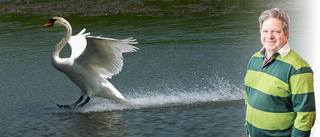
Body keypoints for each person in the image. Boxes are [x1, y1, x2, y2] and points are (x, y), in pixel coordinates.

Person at [244, 8, 316, 137]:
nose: (269, 36)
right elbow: (248, 98)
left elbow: (305, 115)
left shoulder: (298, 68)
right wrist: (248, 130)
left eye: (276, 31)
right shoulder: (254, 59)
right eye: (265, 31)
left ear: (286, 34)